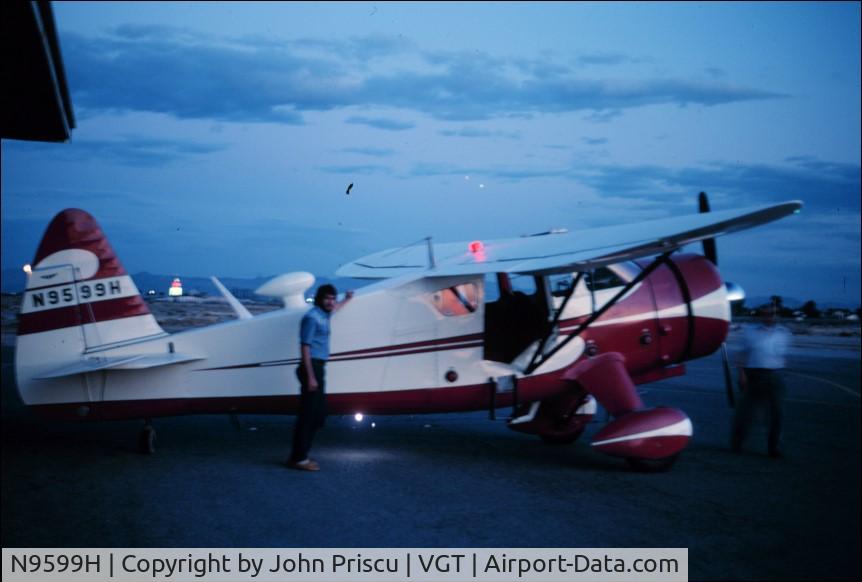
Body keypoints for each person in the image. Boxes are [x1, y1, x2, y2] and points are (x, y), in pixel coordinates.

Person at [287, 284, 353, 471]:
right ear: (319, 299)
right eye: (327, 298)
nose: (331, 302)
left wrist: (346, 299)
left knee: (319, 415)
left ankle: (300, 454)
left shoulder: (324, 314)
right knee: (308, 417)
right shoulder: (311, 318)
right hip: (311, 368)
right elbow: (305, 347)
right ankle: (298, 458)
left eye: (333, 298)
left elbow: (335, 308)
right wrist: (310, 377)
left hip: (319, 368)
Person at [730, 304, 791, 458]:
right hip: (753, 375)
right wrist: (742, 375)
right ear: (760, 315)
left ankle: (774, 448)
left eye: (771, 314)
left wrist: (780, 373)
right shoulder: (750, 332)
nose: (768, 317)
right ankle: (737, 444)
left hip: (775, 376)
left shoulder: (784, 333)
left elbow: (783, 357)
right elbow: (741, 355)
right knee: (745, 413)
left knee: (776, 415)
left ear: (776, 315)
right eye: (765, 314)